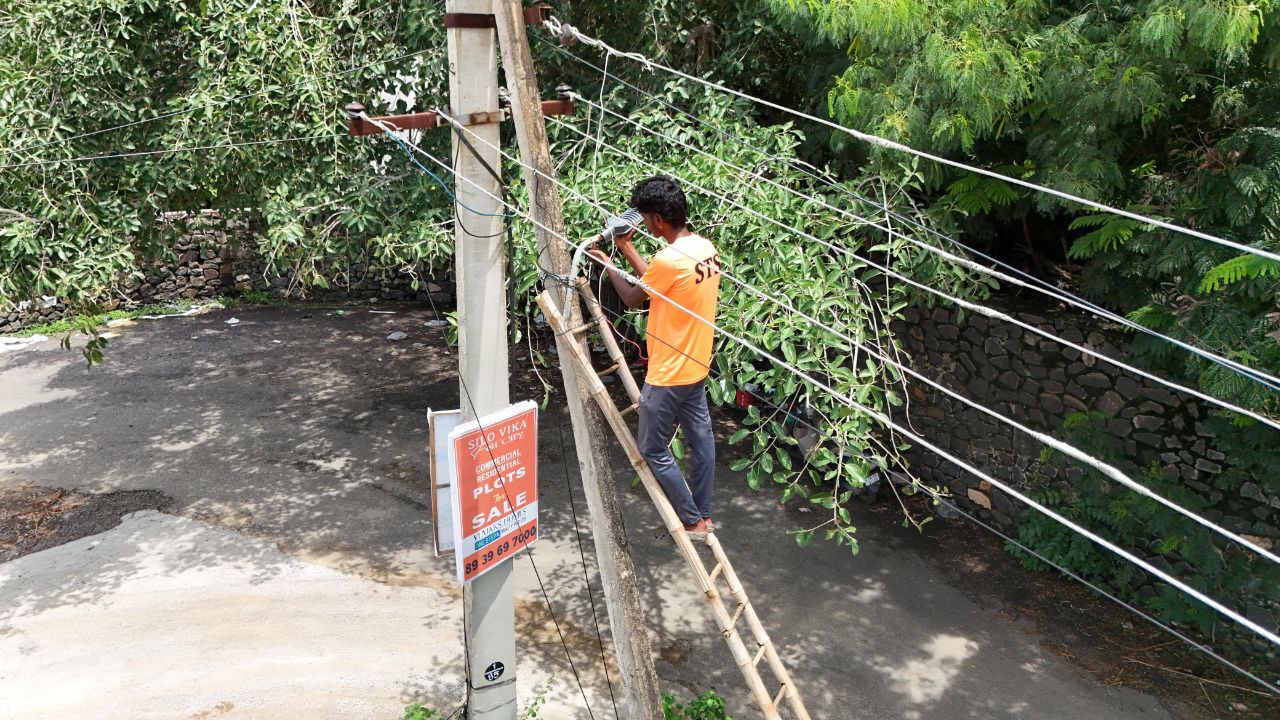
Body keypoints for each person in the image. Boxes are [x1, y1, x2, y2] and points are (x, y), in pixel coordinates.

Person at [589, 176, 722, 540]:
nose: (644, 223)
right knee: (702, 440)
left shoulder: (667, 259)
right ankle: (705, 514)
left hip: (667, 375)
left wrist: (606, 265)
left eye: (645, 217)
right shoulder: (703, 248)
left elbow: (635, 297)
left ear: (659, 221)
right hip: (696, 366)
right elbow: (660, 281)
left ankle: (691, 519)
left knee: (651, 447)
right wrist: (626, 250)